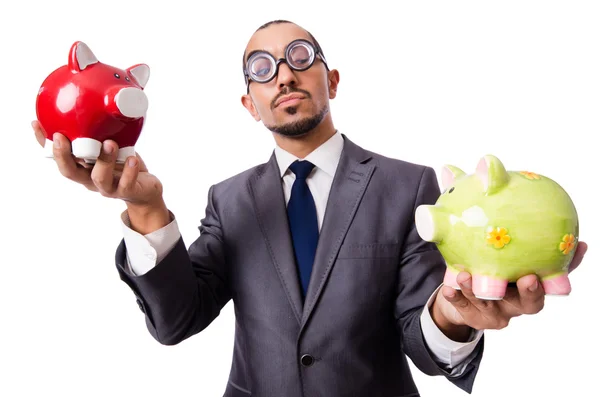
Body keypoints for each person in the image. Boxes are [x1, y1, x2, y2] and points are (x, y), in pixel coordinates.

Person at [33, 19, 587, 397]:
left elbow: (424, 335)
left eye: (299, 58)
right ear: (250, 105)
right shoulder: (229, 200)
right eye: (261, 68)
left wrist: (456, 316)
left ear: (332, 80)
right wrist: (147, 209)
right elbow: (178, 320)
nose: (284, 75)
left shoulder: (409, 185)